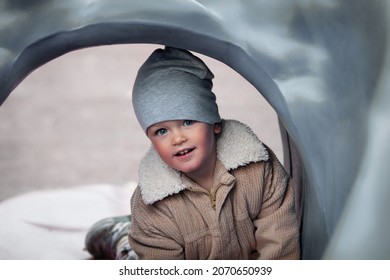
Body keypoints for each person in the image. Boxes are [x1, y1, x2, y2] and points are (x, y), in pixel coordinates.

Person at [85, 46, 300, 260]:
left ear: (214, 123)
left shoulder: (259, 170)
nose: (177, 139)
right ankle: (122, 238)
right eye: (161, 131)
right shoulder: (151, 207)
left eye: (188, 121)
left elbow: (280, 241)